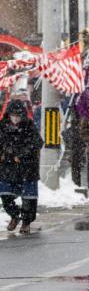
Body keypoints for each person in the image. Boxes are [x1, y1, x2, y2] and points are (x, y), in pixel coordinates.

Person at [0, 98, 43, 233]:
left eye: (18, 115)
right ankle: (15, 215)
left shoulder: (29, 126)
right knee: (5, 195)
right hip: (8, 167)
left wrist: (23, 154)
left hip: (27, 167)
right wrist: (6, 152)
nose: (15, 118)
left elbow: (37, 143)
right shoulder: (2, 126)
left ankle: (26, 222)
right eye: (13, 115)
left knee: (29, 199)